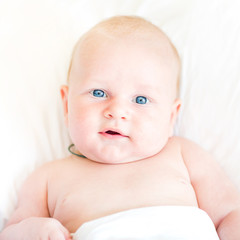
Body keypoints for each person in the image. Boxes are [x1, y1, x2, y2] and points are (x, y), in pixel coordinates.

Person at [0, 16, 239, 240]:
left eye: (141, 99)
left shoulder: (184, 155)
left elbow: (230, 214)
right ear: (67, 104)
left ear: (170, 117)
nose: (117, 111)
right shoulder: (47, 178)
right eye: (98, 93)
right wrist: (34, 229)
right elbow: (10, 232)